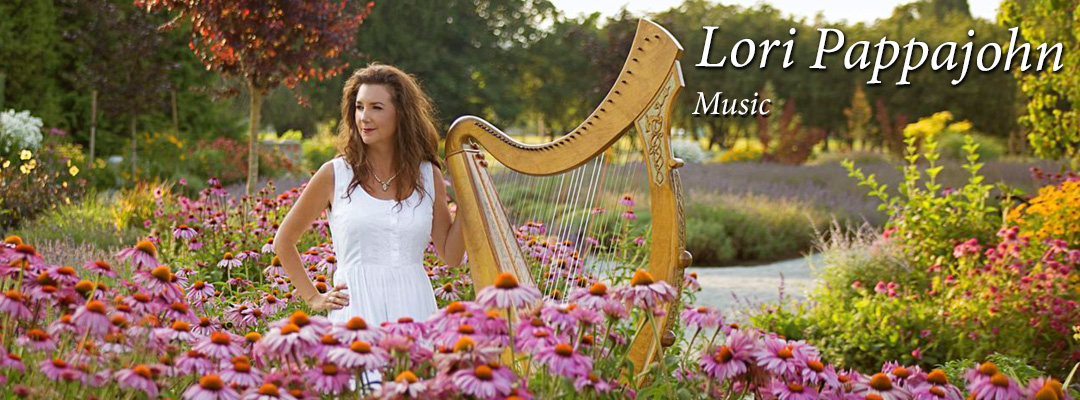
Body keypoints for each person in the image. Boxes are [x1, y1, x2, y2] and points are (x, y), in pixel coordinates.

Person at [273, 63, 465, 356]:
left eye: (376, 107)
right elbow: (283, 241)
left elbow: (450, 256)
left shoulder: (428, 175)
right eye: (359, 107)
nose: (364, 117)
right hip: (356, 313)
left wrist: (469, 198)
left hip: (415, 310)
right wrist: (313, 297)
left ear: (402, 113)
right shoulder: (334, 174)